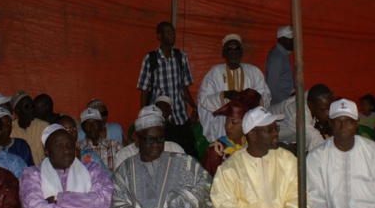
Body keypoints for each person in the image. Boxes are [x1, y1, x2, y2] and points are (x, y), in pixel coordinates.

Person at [136, 21, 198, 155]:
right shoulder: (150, 59)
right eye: (168, 32)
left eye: (173, 32)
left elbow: (184, 86)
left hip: (180, 116)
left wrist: (193, 106)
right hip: (161, 118)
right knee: (165, 154)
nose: (172, 35)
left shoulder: (181, 57)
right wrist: (144, 115)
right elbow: (144, 89)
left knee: (189, 153)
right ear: (159, 36)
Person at [198, 34, 272, 143]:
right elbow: (203, 99)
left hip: (249, 125)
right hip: (223, 127)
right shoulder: (215, 72)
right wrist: (225, 95)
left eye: (237, 48)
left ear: (241, 52)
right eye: (229, 48)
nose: (233, 51)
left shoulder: (254, 72)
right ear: (224, 53)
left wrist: (253, 98)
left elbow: (265, 95)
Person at [200, 89, 263, 176]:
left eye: (234, 122)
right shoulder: (216, 152)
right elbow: (209, 183)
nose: (228, 126)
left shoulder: (254, 144)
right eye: (226, 121)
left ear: (246, 123)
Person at [112, 107, 183, 173]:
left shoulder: (175, 150)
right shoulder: (124, 156)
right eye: (149, 139)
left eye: (160, 138)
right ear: (137, 140)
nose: (155, 144)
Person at [269, 83, 333, 152]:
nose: (328, 113)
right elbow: (317, 143)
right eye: (323, 110)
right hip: (268, 143)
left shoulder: (314, 97)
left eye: (329, 108)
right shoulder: (297, 114)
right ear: (310, 104)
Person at [10, 90, 50, 167]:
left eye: (33, 105)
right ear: (17, 111)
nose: (32, 109)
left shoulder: (44, 126)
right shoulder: (10, 129)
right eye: (27, 106)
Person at [80, 107, 122, 173]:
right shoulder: (78, 149)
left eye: (95, 123)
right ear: (83, 127)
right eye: (88, 123)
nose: (92, 126)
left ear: (101, 125)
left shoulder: (115, 146)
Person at [265, 25, 294, 105]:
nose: (293, 42)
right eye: (290, 39)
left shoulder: (282, 54)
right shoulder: (277, 56)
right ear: (282, 40)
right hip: (280, 102)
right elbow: (272, 83)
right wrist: (276, 104)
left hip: (285, 100)